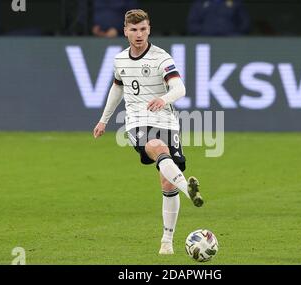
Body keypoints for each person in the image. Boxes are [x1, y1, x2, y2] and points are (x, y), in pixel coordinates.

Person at [93, 9, 203, 255]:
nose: (139, 34)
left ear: (149, 29)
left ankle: (167, 241)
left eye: (143, 29)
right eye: (133, 30)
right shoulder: (120, 60)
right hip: (137, 120)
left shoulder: (161, 58)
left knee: (166, 181)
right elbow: (117, 89)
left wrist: (164, 100)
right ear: (125, 32)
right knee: (157, 147)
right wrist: (104, 120)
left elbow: (180, 88)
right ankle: (189, 190)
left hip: (167, 120)